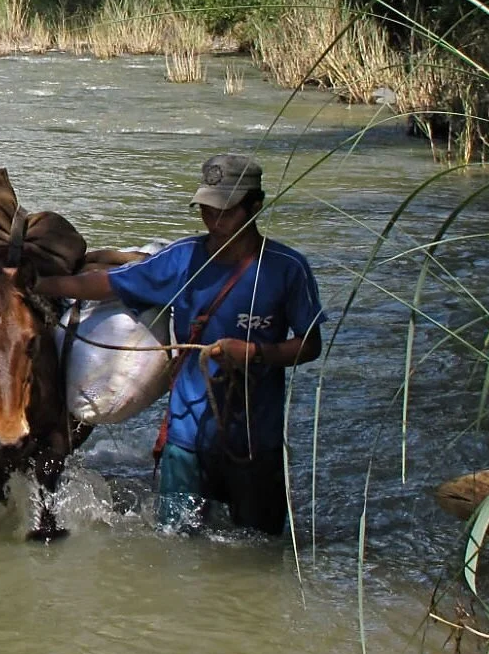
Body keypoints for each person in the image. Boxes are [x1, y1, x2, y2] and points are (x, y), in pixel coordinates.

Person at [38, 153, 324, 534]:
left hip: (257, 440)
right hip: (186, 437)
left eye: (225, 211)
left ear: (256, 206)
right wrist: (37, 284)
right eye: (207, 210)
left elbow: (310, 345)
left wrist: (255, 353)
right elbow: (109, 283)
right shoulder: (183, 258)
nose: (214, 221)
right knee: (175, 545)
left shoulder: (288, 269)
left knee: (261, 548)